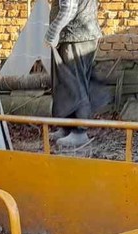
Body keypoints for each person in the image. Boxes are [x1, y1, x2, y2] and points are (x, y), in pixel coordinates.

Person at [45, 0, 106, 148]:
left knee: (75, 84)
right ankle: (67, 127)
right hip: (80, 35)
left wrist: (52, 33)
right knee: (69, 84)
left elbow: (68, 8)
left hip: (76, 36)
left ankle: (79, 132)